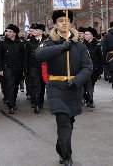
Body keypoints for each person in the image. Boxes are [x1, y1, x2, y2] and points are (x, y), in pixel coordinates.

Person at [35, 10, 92, 166]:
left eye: (67, 20)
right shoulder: (49, 42)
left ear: (71, 23)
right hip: (55, 87)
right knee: (63, 119)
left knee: (69, 121)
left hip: (73, 87)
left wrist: (76, 81)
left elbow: (88, 67)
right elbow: (38, 55)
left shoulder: (79, 46)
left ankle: (61, 148)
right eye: (60, 20)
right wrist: (61, 47)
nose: (64, 23)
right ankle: (67, 156)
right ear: (55, 24)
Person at [0, 24, 24, 114]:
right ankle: (11, 105)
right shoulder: (3, 43)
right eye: (7, 31)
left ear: (15, 33)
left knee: (15, 86)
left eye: (10, 32)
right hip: (7, 67)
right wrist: (0, 69)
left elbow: (23, 57)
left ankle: (13, 101)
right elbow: (0, 57)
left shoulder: (20, 43)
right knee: (10, 84)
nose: (7, 33)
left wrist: (24, 69)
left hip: (18, 68)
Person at [24, 23, 47, 114]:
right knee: (35, 85)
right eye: (33, 30)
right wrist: (25, 68)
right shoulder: (29, 42)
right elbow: (26, 56)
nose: (34, 32)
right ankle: (36, 103)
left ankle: (40, 101)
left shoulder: (47, 41)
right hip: (33, 67)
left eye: (36, 30)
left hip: (44, 67)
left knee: (42, 86)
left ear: (41, 31)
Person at [83, 27, 103, 107]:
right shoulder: (82, 44)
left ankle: (90, 100)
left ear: (92, 36)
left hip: (94, 68)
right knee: (84, 84)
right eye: (85, 34)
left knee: (91, 84)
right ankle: (85, 98)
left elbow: (100, 58)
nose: (85, 36)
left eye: (87, 34)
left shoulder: (97, 45)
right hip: (83, 68)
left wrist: (100, 69)